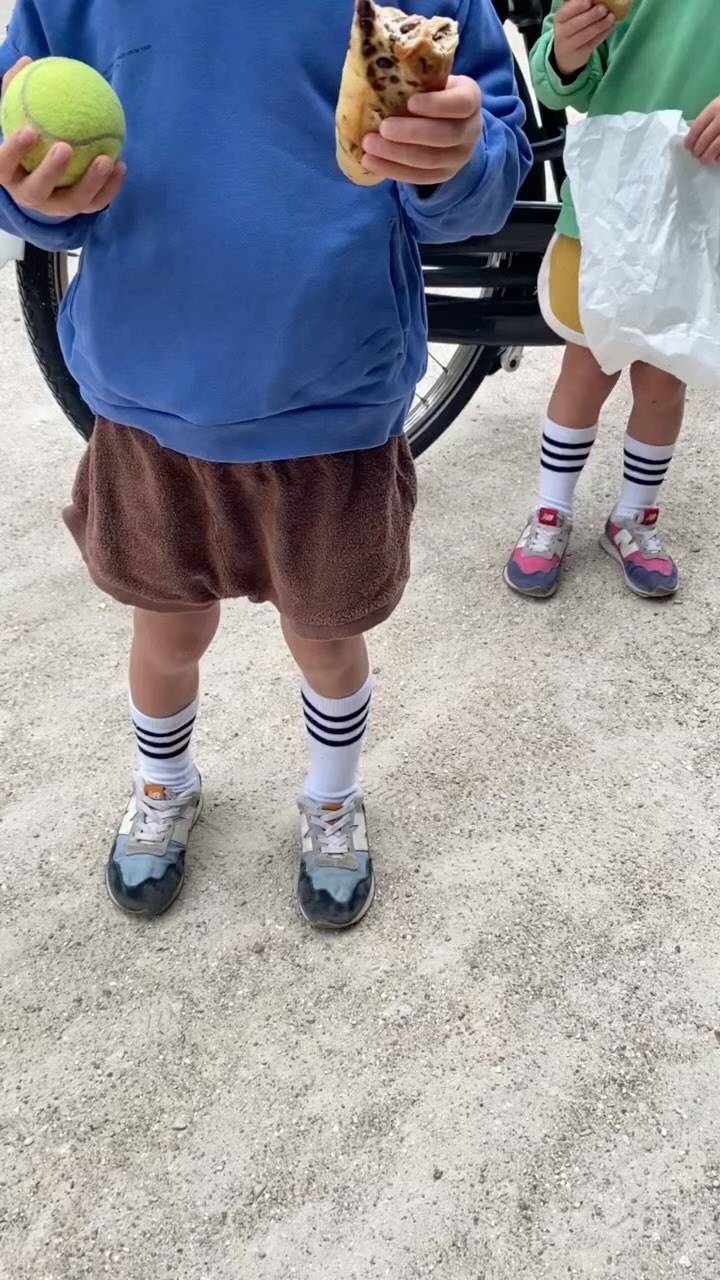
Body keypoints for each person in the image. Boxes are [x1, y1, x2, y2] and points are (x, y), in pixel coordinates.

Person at [0, 1, 531, 927]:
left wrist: (459, 159)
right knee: (165, 633)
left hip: (333, 398)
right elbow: (27, 162)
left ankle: (332, 795)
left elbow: (490, 164)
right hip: (150, 400)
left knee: (327, 640)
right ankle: (163, 782)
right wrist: (31, 195)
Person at [505, 0, 720, 601]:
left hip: (702, 207)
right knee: (585, 366)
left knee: (664, 378)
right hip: (612, 200)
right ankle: (551, 509)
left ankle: (634, 515)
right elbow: (559, 80)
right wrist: (567, 52)